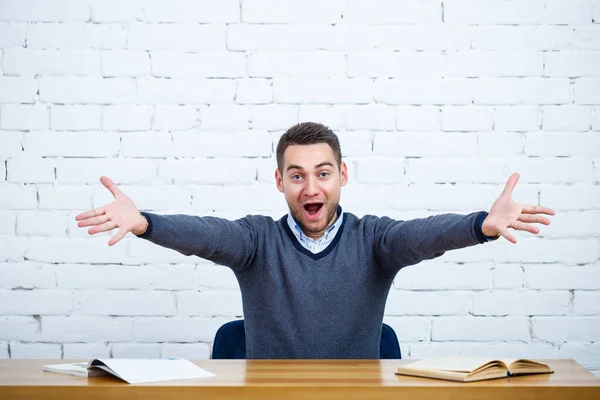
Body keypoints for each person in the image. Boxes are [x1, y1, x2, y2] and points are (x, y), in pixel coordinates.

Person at [76, 122, 554, 359]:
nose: (311, 188)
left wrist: (479, 226)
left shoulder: (374, 240)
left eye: (323, 173)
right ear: (279, 181)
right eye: (297, 175)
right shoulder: (256, 241)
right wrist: (146, 223)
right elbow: (209, 235)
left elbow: (421, 236)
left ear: (341, 175)